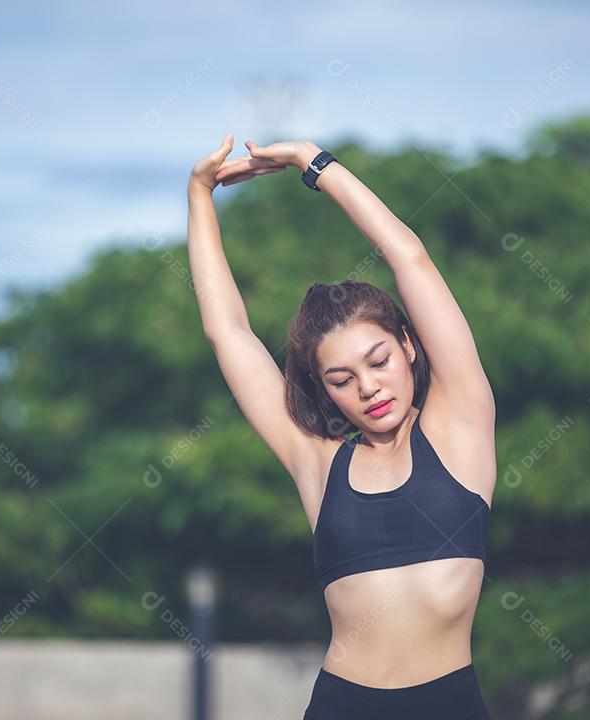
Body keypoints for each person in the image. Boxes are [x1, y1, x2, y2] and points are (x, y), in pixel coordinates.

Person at [187, 134, 496, 720]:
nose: (369, 387)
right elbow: (227, 332)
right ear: (323, 387)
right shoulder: (319, 461)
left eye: (378, 361)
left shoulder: (461, 423)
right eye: (341, 377)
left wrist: (314, 163)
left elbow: (409, 257)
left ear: (408, 346)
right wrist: (200, 194)